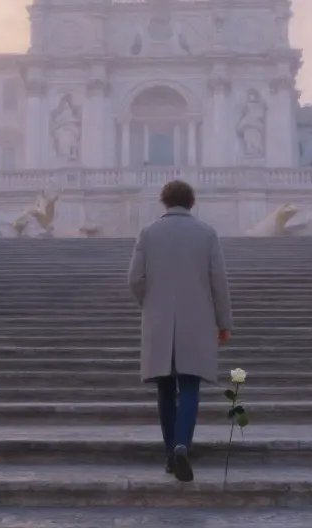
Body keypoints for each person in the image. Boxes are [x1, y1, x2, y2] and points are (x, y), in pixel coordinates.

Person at [127, 180, 233, 483]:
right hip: (197, 320)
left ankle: (170, 454)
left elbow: (134, 278)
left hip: (159, 320)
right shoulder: (207, 233)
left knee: (164, 388)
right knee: (189, 386)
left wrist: (150, 302)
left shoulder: (148, 233)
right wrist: (224, 323)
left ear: (164, 201)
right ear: (191, 203)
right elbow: (219, 282)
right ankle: (182, 445)